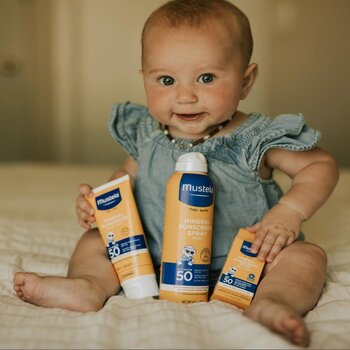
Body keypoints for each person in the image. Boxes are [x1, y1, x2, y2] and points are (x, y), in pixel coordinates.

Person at [13, 0, 339, 346]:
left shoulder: (256, 138)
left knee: (306, 257)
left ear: (246, 81)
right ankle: (88, 286)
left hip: (249, 262)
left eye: (206, 77)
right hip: (149, 258)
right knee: (96, 241)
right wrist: (100, 203)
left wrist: (289, 212)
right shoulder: (147, 133)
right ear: (144, 80)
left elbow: (320, 166)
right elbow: (126, 177)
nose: (185, 96)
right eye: (166, 80)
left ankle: (273, 302)